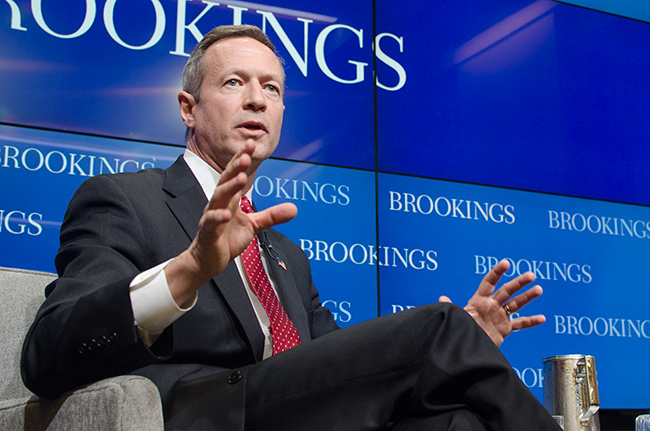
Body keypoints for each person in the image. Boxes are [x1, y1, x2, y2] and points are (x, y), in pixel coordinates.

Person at [21, 25, 561, 430]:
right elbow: (46, 355)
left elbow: (345, 365)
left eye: (273, 89)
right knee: (437, 328)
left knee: (456, 422)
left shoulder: (284, 253)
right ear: (188, 108)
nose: (258, 98)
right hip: (204, 412)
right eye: (235, 82)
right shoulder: (126, 199)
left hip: (297, 410)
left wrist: (463, 339)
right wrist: (187, 271)